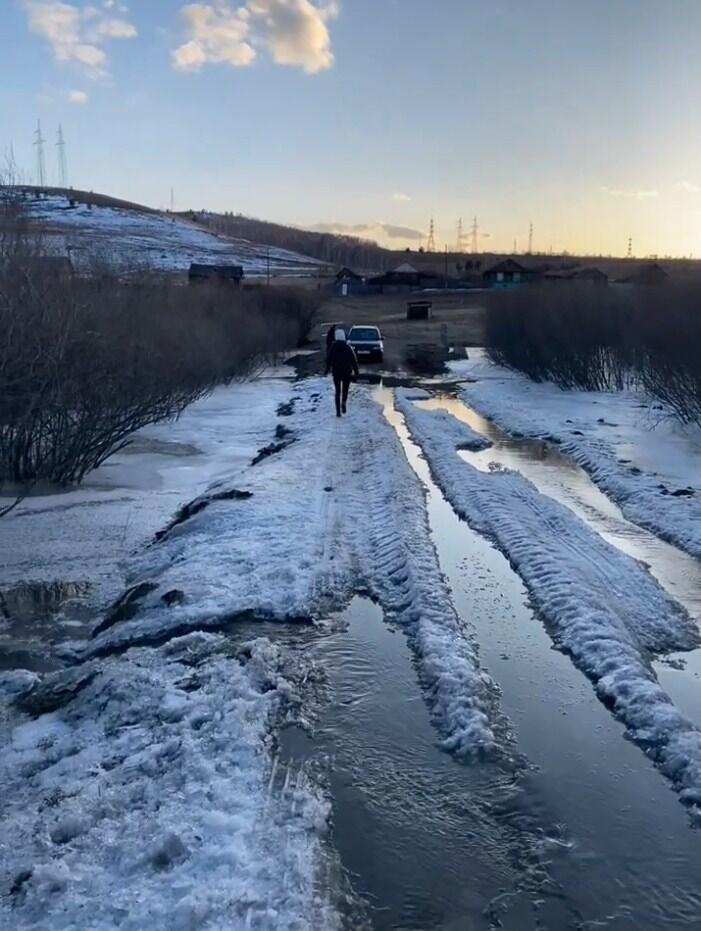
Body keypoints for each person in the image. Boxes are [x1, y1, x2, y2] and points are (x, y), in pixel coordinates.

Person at [325, 328, 359, 417]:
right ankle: (343, 402)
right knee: (345, 390)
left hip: (336, 372)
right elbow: (354, 361)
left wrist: (326, 370)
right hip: (347, 372)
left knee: (337, 391)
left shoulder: (333, 347)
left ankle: (338, 412)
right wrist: (357, 373)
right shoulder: (348, 347)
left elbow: (328, 360)